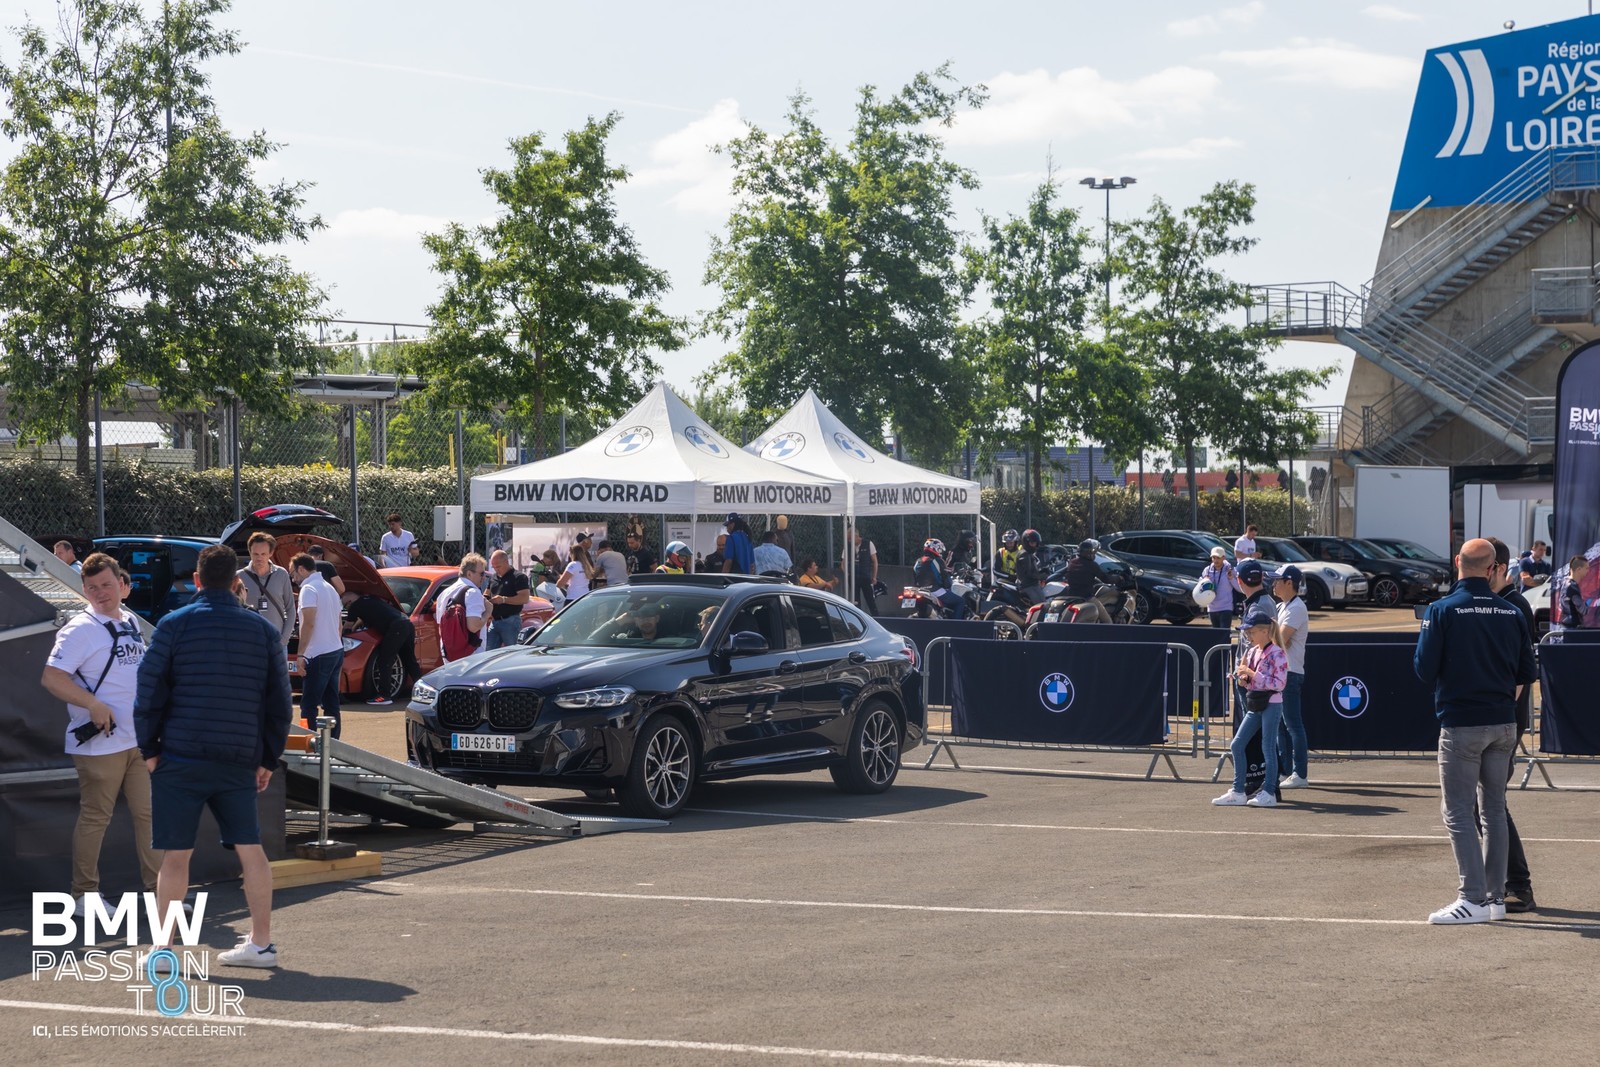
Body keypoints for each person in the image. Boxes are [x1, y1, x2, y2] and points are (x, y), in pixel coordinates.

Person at [134, 544, 291, 968]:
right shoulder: (262, 632)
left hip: (179, 756)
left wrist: (149, 749)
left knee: (175, 856)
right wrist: (266, 758)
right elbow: (280, 702)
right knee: (250, 849)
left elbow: (149, 692)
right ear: (237, 583)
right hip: (238, 757)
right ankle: (261, 943)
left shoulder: (172, 624)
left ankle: (164, 950)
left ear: (197, 581)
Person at [1414, 538, 1536, 924]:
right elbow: (1526, 672)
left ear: (1457, 563)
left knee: (1459, 812)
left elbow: (1423, 668)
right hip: (1503, 722)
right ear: (1492, 568)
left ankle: (1473, 898)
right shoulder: (1510, 610)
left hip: (1463, 722)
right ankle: (1494, 898)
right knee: (1494, 810)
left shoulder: (1442, 609)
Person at [41, 554, 159, 916]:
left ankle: (159, 893)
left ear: (122, 585)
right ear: (83, 589)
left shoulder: (129, 622)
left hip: (136, 739)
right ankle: (83, 895)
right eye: (92, 587)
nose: (100, 593)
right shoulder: (79, 629)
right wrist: (92, 704)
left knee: (149, 815)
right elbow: (52, 677)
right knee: (96, 817)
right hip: (99, 743)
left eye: (106, 585)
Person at [1485, 537, 1537, 912]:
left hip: (1503, 720)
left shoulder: (1515, 606)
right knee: (1483, 804)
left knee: (1492, 804)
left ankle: (1518, 884)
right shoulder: (1493, 604)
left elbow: (1520, 675)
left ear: (1500, 568)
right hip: (1490, 719)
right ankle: (1498, 882)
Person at [1213, 605, 1288, 808]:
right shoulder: (1254, 651)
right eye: (1247, 632)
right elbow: (1252, 681)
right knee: (1237, 744)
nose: (1248, 635)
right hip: (1256, 703)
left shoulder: (1277, 653)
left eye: (1252, 632)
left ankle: (1269, 792)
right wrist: (1243, 678)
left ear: (1265, 631)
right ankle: (1238, 791)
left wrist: (1253, 675)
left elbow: (1279, 684)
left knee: (1267, 747)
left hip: (1271, 704)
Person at [291, 553, 344, 737]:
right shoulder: (330, 588)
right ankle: (335, 745)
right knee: (331, 703)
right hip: (335, 650)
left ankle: (309, 743)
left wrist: (300, 655)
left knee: (308, 705)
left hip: (318, 654)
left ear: (301, 569)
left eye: (293, 573)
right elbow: (339, 622)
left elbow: (308, 623)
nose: (293, 578)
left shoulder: (308, 589)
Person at [1270, 565, 1310, 792]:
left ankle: (1300, 773)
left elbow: (1280, 639)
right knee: (1281, 726)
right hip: (1281, 673)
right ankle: (1286, 770)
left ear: (1289, 582)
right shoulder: (1281, 606)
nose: (1273, 584)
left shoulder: (1297, 608)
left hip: (1291, 673)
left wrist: (1265, 634)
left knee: (1293, 725)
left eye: (1277, 580)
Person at [341, 591, 420, 704]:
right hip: (407, 624)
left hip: (395, 628)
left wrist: (342, 635)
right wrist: (356, 626)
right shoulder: (372, 599)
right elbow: (365, 618)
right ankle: (421, 691)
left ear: (349, 601)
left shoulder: (355, 606)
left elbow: (347, 627)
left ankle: (384, 696)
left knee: (385, 660)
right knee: (409, 660)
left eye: (345, 606)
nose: (346, 609)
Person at [237, 532, 294, 654]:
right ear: (249, 552)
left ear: (271, 553)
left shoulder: (281, 574)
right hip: (249, 644)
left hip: (276, 644)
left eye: (263, 554)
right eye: (255, 554)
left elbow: (291, 609)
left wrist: (283, 641)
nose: (259, 558)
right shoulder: (239, 576)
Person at [439, 554, 492, 661]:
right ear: (469, 574)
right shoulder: (473, 592)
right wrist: (488, 611)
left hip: (448, 653)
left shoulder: (445, 592)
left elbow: (440, 624)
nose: (484, 577)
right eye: (481, 574)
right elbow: (474, 626)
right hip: (470, 654)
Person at [483, 549, 531, 650]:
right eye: (494, 567)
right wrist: (484, 600)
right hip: (494, 621)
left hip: (510, 620)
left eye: (498, 566)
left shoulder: (519, 577)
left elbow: (524, 598)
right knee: (488, 653)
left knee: (512, 652)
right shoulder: (493, 578)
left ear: (506, 562)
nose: (496, 569)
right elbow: (487, 593)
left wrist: (504, 600)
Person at [913, 538, 969, 619]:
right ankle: (956, 625)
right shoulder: (937, 560)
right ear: (936, 548)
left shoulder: (918, 561)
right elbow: (946, 578)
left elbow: (915, 576)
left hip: (920, 590)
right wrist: (949, 585)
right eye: (940, 549)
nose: (940, 552)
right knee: (960, 601)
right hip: (936, 590)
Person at [1201, 547, 1242, 629]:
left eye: (1218, 558)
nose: (1216, 560)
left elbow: (1240, 588)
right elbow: (1201, 587)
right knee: (1216, 635)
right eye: (1213, 558)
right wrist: (1204, 581)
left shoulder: (1230, 570)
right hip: (1212, 608)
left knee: (1224, 634)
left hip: (1226, 607)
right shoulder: (1207, 570)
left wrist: (1231, 579)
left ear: (1224, 558)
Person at [844, 526, 879, 615]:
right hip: (853, 578)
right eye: (848, 539)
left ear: (856, 536)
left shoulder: (868, 543)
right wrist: (847, 573)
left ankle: (877, 619)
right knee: (855, 602)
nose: (849, 541)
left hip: (866, 577)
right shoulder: (847, 546)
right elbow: (843, 563)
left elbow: (875, 561)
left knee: (870, 600)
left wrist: (874, 577)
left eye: (850, 539)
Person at [1014, 529, 1049, 607]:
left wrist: (1042, 571)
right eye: (1032, 543)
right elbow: (1029, 573)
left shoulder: (1028, 553)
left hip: (1032, 584)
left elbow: (1032, 570)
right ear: (1026, 543)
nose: (1035, 545)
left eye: (1036, 543)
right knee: (1043, 606)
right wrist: (1042, 576)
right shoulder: (1024, 554)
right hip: (1029, 586)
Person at [1559, 554, 1590, 629]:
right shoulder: (1572, 587)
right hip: (1572, 628)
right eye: (1586, 568)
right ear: (1579, 569)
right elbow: (1583, 610)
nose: (1588, 571)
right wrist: (1591, 600)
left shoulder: (1564, 582)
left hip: (1565, 625)